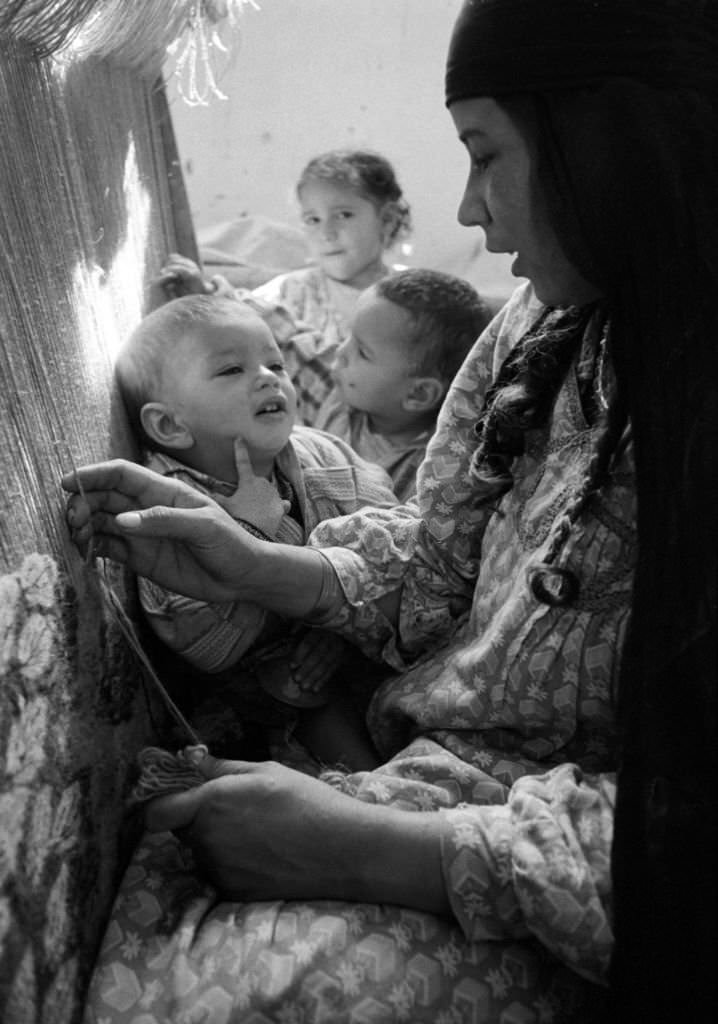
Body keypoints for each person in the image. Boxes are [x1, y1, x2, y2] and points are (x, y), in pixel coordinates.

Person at [64, 1, 717, 1020]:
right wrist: (262, 565)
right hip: (442, 770)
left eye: (487, 153)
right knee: (163, 874)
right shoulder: (540, 334)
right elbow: (431, 569)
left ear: (616, 149)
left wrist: (372, 848)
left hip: (577, 865)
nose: (469, 212)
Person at [114, 293, 398, 768]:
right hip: (258, 669)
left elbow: (396, 535)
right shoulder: (166, 509)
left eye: (275, 364)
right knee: (300, 691)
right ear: (169, 425)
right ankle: (371, 788)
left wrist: (344, 626)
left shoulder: (318, 454)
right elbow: (200, 641)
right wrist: (252, 530)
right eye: (231, 370)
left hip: (351, 628)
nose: (268, 377)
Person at [157, 149, 412, 424]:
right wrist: (206, 296)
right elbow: (235, 320)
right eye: (312, 219)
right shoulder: (290, 290)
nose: (326, 233)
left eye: (344, 215)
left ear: (387, 219)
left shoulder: (410, 298)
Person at [314, 267, 492, 501]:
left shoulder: (431, 475)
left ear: (418, 394)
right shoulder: (343, 397)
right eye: (348, 335)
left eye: (363, 352)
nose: (340, 352)